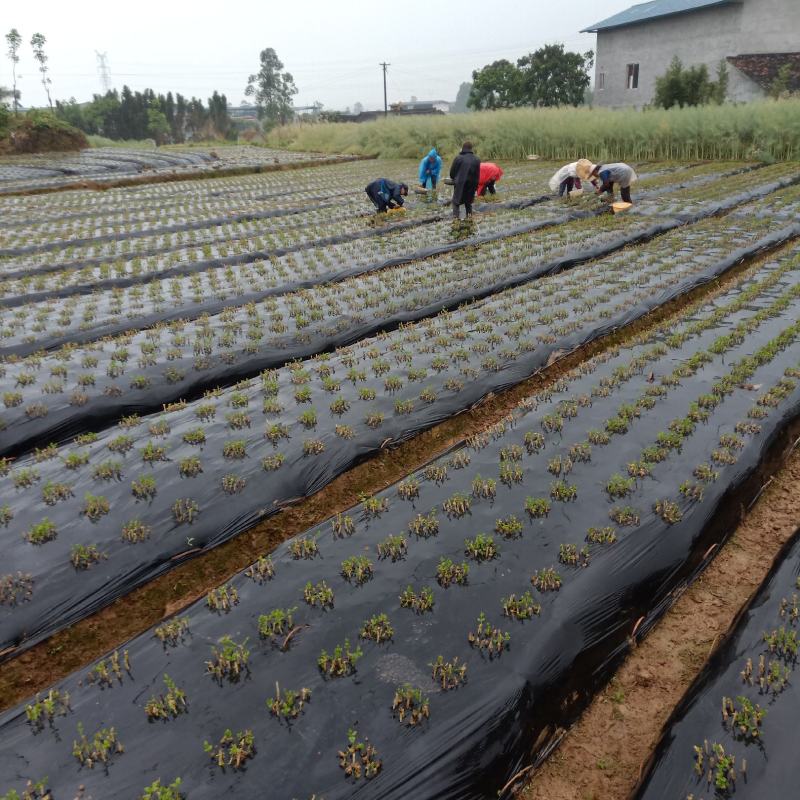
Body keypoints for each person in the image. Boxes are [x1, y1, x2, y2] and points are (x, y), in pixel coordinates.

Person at [449, 141, 480, 219]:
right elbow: (477, 175)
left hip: (460, 185)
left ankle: (456, 219)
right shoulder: (477, 159)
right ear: (471, 149)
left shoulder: (458, 158)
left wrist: (454, 179)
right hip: (472, 185)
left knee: (456, 203)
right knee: (468, 203)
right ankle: (469, 219)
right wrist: (476, 187)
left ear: (462, 148)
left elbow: (452, 173)